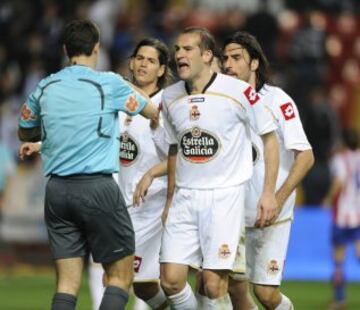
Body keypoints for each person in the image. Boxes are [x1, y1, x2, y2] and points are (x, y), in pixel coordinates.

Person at [18, 19, 158, 310]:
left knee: (66, 285)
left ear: (65, 49)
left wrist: (39, 137)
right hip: (97, 188)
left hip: (57, 191)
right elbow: (152, 110)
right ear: (97, 48)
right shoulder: (108, 83)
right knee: (119, 276)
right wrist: (127, 84)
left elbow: (25, 128)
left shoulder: (45, 86)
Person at [158, 27, 279, 309]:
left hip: (224, 198)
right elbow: (176, 148)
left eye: (188, 49)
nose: (179, 55)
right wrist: (169, 199)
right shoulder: (170, 97)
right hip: (185, 197)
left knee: (213, 285)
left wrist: (268, 193)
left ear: (207, 54)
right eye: (177, 49)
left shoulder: (239, 92)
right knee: (170, 280)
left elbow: (269, 139)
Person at [222, 31, 314, 310]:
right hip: (232, 212)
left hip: (271, 215)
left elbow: (306, 157)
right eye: (225, 58)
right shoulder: (221, 101)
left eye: (236, 57)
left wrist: (278, 197)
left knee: (266, 294)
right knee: (232, 289)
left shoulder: (278, 101)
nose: (228, 64)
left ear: (254, 64)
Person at [88, 37, 172, 310]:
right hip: (116, 199)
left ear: (161, 70)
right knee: (129, 277)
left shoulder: (166, 105)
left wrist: (152, 175)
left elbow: (181, 155)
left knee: (130, 278)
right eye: (140, 58)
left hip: (150, 203)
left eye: (151, 60)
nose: (143, 64)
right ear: (131, 62)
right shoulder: (116, 98)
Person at [323, 129, 360, 310]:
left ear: (344, 142)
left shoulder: (340, 159)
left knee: (338, 258)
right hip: (359, 216)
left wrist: (329, 198)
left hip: (342, 216)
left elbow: (339, 180)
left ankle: (339, 300)